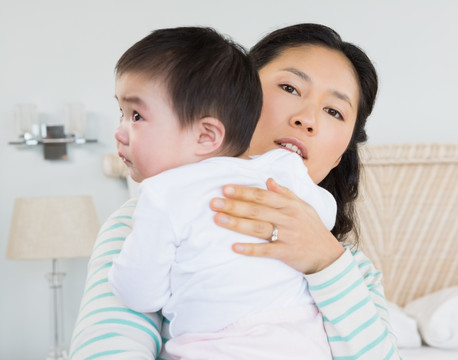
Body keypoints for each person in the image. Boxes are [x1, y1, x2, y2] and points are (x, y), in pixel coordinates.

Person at [69, 23, 400, 360]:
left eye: (334, 111)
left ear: (338, 156)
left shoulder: (352, 269)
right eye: (289, 87)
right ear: (237, 95)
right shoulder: (138, 223)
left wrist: (325, 262)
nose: (308, 119)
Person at [107, 26, 335, 359]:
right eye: (122, 113)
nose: (120, 131)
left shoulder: (161, 195)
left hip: (216, 347)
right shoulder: (280, 169)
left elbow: (139, 294)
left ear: (206, 136)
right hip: (304, 342)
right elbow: (325, 217)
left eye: (136, 116)